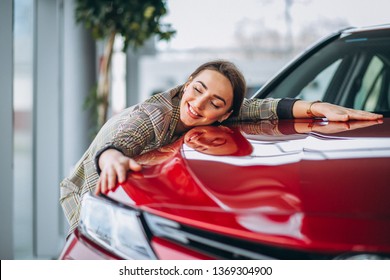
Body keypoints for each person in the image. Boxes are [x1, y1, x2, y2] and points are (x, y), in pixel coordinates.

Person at [60, 59, 382, 235]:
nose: (198, 105)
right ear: (187, 83)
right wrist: (112, 157)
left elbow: (263, 109)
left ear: (226, 113)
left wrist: (317, 107)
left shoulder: (225, 114)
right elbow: (125, 137)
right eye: (196, 89)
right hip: (87, 189)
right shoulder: (153, 116)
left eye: (214, 102)